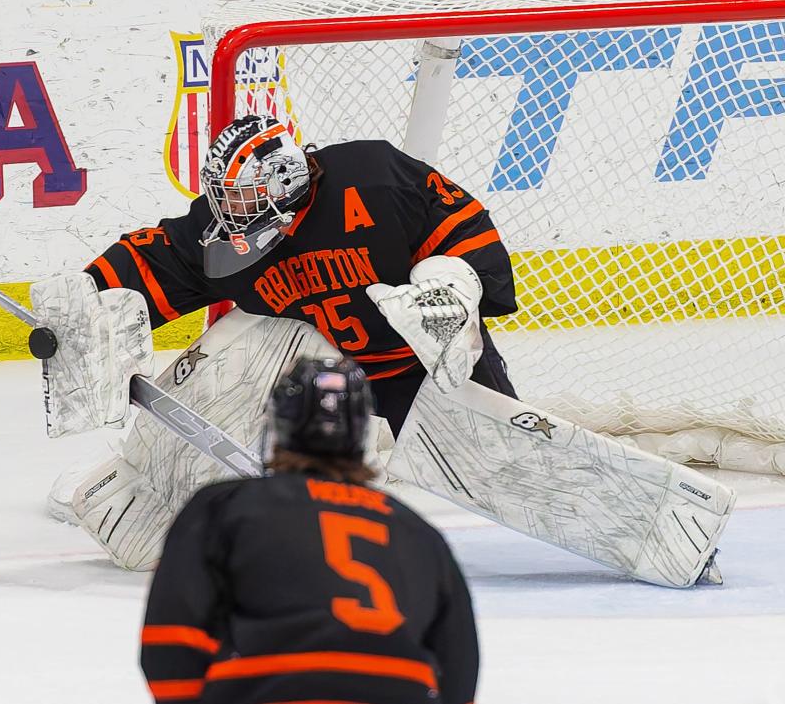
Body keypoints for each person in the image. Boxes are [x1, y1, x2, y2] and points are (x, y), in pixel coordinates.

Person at [30, 113, 517, 569]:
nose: (227, 211)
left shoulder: (372, 178)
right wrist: (89, 300)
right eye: (223, 196)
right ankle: (151, 475)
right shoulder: (226, 234)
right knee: (249, 343)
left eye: (240, 196)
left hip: (422, 366)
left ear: (283, 181)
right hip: (324, 383)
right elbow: (161, 259)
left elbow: (462, 225)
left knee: (500, 468)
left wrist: (450, 287)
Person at [139, 356, 480, 704]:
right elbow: (459, 665)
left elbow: (171, 636)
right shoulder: (416, 530)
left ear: (279, 425)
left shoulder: (225, 507)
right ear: (361, 432)